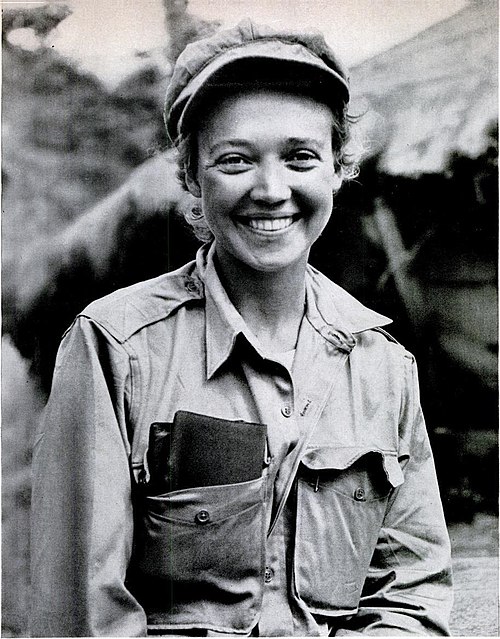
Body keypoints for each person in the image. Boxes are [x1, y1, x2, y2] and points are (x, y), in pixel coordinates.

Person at [30, 19, 453, 637]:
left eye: (301, 157)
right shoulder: (115, 346)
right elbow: (81, 618)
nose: (271, 190)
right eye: (235, 160)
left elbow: (411, 597)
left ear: (338, 169)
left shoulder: (382, 365)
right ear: (191, 178)